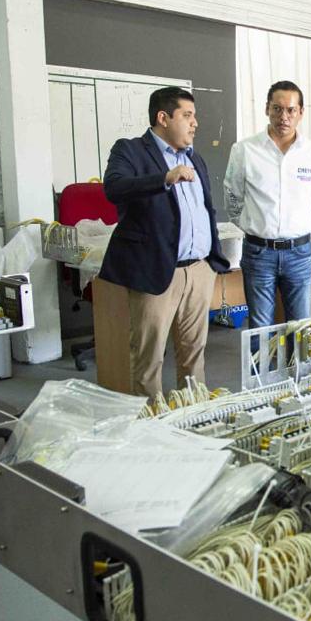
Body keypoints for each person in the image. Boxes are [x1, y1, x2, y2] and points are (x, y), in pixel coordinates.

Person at [99, 87, 229, 399]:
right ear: (163, 117)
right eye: (187, 115)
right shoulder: (130, 150)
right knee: (150, 357)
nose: (195, 123)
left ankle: (193, 413)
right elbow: (114, 188)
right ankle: (151, 420)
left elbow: (204, 208)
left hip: (199, 269)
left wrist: (211, 260)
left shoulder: (194, 157)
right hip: (156, 269)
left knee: (193, 353)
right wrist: (164, 178)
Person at [224, 80, 311, 328]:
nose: (284, 117)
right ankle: (261, 358)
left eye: (291, 110)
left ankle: (297, 359)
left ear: (301, 112)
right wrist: (252, 225)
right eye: (277, 109)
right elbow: (232, 196)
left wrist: (303, 226)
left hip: (299, 253)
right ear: (267, 109)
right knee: (260, 327)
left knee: (300, 325)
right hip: (258, 252)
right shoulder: (245, 150)